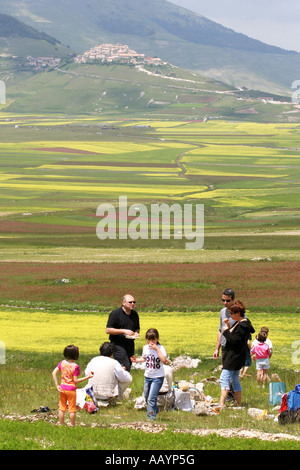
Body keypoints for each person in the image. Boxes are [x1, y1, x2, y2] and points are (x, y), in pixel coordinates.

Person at [219, 302, 255, 408]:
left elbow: (234, 341)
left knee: (224, 378)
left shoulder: (242, 326)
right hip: (238, 356)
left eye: (231, 313)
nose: (230, 315)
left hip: (233, 357)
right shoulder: (241, 323)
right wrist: (228, 327)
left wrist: (225, 331)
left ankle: (222, 403)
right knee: (234, 379)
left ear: (238, 313)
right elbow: (234, 336)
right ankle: (238, 403)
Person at [131, 328, 168, 420]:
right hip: (147, 376)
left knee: (151, 398)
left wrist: (156, 349)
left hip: (158, 377)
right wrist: (136, 360)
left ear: (157, 339)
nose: (150, 342)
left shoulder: (161, 348)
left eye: (153, 340)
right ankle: (155, 409)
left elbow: (163, 360)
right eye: (148, 340)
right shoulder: (145, 348)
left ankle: (151, 418)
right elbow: (145, 358)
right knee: (146, 396)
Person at [52, 344, 93, 426]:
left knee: (62, 408)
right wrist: (88, 377)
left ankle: (61, 424)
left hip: (62, 388)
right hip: (71, 389)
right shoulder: (75, 367)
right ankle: (72, 425)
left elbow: (54, 373)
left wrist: (57, 385)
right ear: (76, 355)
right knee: (72, 409)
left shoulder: (62, 363)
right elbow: (76, 380)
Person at [106, 294, 140, 372]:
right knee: (125, 365)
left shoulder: (135, 315)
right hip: (117, 344)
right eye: (130, 302)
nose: (132, 304)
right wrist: (124, 331)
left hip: (130, 344)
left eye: (134, 302)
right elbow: (108, 330)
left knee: (129, 365)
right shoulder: (115, 314)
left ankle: (123, 382)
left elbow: (137, 328)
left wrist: (136, 333)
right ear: (123, 303)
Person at [213, 288, 236, 360]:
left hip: (235, 347)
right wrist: (217, 349)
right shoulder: (222, 312)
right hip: (224, 346)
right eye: (223, 300)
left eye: (228, 300)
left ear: (233, 299)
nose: (225, 303)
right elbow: (220, 330)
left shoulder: (239, 312)